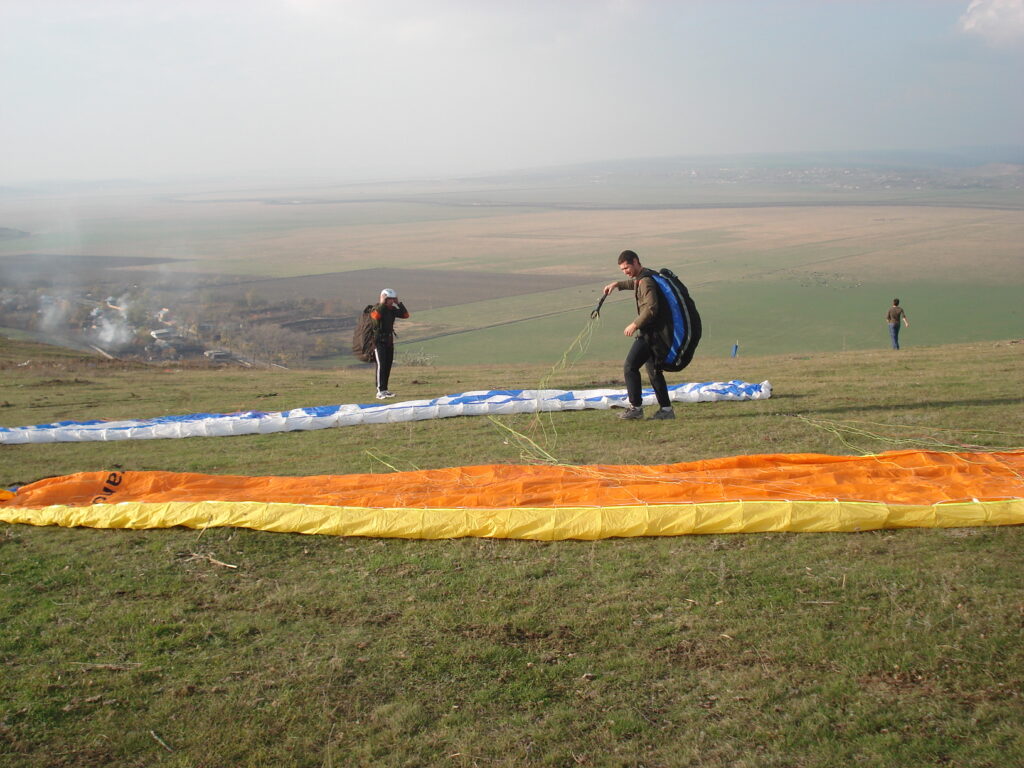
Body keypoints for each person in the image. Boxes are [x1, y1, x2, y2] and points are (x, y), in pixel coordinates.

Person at [602, 250, 676, 421]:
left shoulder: (646, 281)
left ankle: (635, 408)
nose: (625, 271)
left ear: (635, 261)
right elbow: (635, 284)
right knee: (653, 371)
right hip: (656, 333)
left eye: (626, 267)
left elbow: (651, 308)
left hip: (650, 335)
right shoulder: (644, 277)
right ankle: (666, 410)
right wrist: (617, 284)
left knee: (630, 366)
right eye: (622, 270)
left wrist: (635, 324)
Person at [370, 288, 409, 399]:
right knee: (381, 365)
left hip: (388, 341)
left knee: (387, 365)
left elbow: (406, 315)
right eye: (389, 299)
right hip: (378, 342)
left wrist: (399, 303)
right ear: (384, 298)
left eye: (392, 299)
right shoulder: (377, 308)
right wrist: (382, 303)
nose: (391, 301)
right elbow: (375, 317)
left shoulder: (391, 310)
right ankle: (380, 391)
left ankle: (385, 390)